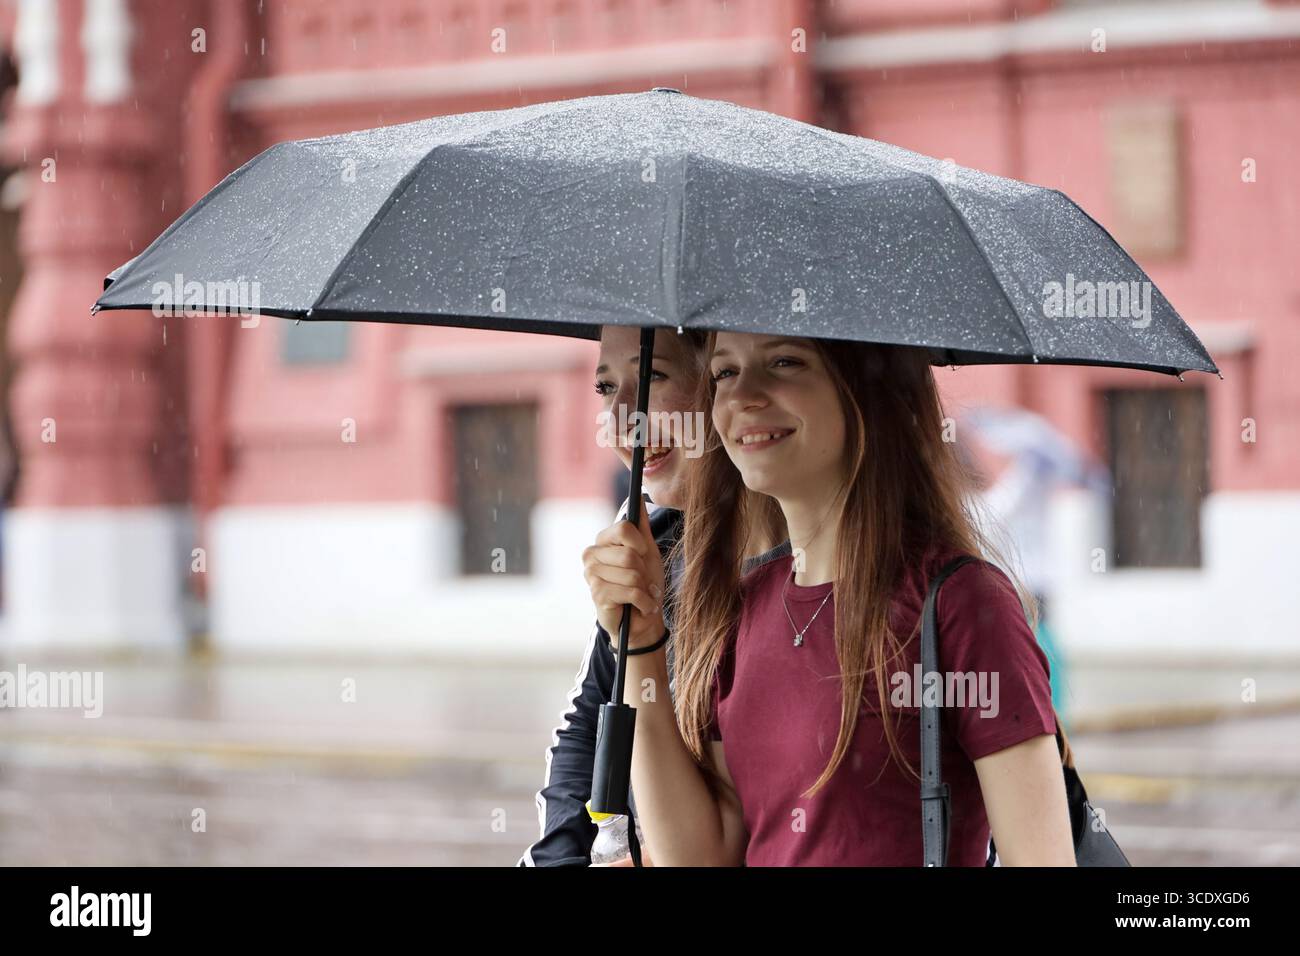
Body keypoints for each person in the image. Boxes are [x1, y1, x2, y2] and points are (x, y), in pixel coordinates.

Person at [581, 333, 1076, 865]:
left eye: (784, 362)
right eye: (725, 373)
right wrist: (641, 640)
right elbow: (701, 858)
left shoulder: (960, 603)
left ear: (865, 387)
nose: (742, 396)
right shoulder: (740, 606)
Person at [517, 324, 783, 866]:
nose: (620, 421)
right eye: (604, 389)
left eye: (651, 378)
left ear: (722, 382)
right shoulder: (653, 540)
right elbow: (590, 719)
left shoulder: (807, 567)